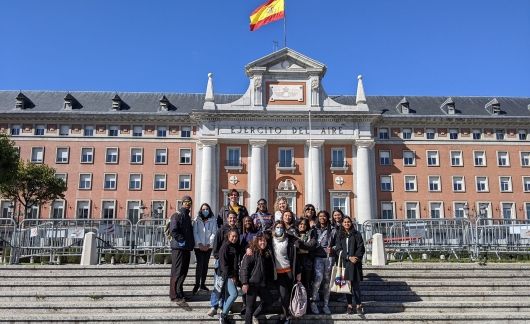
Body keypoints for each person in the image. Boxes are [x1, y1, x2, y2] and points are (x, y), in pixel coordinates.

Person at [208, 211, 240, 317]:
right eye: (230, 218)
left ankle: (225, 306)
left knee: (226, 288)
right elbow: (216, 248)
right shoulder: (221, 230)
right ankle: (214, 306)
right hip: (221, 262)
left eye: (234, 218)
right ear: (227, 219)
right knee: (217, 285)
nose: (232, 220)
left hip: (231, 265)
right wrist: (220, 259)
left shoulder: (237, 231)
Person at [240, 233, 274, 324]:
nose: (263, 242)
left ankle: (256, 314)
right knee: (249, 307)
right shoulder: (252, 252)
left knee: (269, 301)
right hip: (252, 284)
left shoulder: (267, 252)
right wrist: (244, 283)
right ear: (257, 242)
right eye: (260, 241)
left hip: (262, 284)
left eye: (264, 241)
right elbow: (244, 268)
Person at [336, 216, 366, 315]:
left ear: (351, 223)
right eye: (344, 222)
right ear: (342, 224)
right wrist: (348, 257)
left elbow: (361, 248)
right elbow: (338, 249)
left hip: (355, 263)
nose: (346, 224)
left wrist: (356, 258)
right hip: (345, 262)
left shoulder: (357, 234)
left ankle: (359, 305)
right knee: (346, 286)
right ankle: (349, 305)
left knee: (356, 285)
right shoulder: (340, 235)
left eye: (348, 222)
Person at [271, 221, 299, 324]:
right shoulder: (271, 240)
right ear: (274, 228)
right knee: (282, 295)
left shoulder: (289, 239)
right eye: (277, 227)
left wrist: (298, 272)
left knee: (288, 295)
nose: (279, 229)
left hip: (288, 270)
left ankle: (286, 316)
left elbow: (295, 256)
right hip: (277, 272)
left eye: (281, 227)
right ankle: (286, 315)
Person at [169, 195, 195, 305]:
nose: (188, 204)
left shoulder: (188, 217)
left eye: (189, 202)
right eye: (186, 202)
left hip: (186, 248)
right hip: (178, 248)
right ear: (182, 203)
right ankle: (174, 295)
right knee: (177, 271)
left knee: (183, 272)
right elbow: (173, 230)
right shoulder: (177, 215)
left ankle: (180, 293)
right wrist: (182, 239)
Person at [310, 210, 337, 315]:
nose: (322, 218)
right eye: (320, 216)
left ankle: (326, 305)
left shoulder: (333, 230)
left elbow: (337, 244)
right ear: (318, 217)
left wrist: (333, 249)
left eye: (324, 216)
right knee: (318, 279)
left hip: (329, 258)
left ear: (327, 217)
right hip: (318, 257)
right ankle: (313, 302)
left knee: (327, 282)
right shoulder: (314, 230)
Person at [192, 203, 217, 295]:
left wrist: (208, 244)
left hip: (208, 246)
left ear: (209, 210)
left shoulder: (213, 220)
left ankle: (203, 284)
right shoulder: (196, 220)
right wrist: (200, 244)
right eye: (203, 209)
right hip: (198, 246)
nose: (205, 211)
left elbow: (214, 232)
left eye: (207, 209)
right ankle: (197, 284)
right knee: (200, 264)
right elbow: (195, 232)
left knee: (205, 265)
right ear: (200, 210)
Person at [218, 229, 241, 324]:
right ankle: (223, 315)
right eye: (233, 236)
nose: (234, 238)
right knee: (234, 294)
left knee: (230, 295)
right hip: (227, 275)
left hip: (233, 274)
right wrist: (231, 276)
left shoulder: (235, 246)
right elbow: (224, 264)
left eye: (236, 236)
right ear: (228, 236)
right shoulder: (225, 247)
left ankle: (225, 315)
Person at [239, 216, 258, 315]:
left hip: (254, 262)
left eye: (249, 221)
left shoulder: (256, 233)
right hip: (242, 262)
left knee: (251, 283)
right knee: (244, 282)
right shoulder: (241, 235)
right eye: (246, 221)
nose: (247, 222)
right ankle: (245, 304)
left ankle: (251, 305)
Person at [295, 218, 316, 298]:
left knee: (307, 284)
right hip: (296, 262)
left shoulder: (310, 234)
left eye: (304, 224)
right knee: (296, 283)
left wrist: (300, 244)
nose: (302, 226)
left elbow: (311, 245)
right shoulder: (294, 234)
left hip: (307, 262)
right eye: (300, 224)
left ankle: (307, 307)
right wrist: (305, 246)